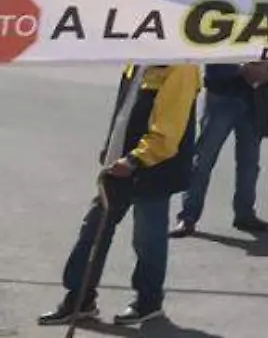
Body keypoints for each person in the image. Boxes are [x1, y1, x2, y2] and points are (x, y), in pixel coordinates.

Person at [41, 64, 202, 328]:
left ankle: (148, 302)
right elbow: (125, 112)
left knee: (147, 239)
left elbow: (168, 129)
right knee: (94, 229)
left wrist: (135, 160)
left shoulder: (181, 68)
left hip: (153, 167)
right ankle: (80, 299)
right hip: (122, 164)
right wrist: (111, 147)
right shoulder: (136, 58)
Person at [172, 61, 268, 238]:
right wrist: (241, 69)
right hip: (221, 94)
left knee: (249, 163)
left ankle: (245, 214)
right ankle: (188, 216)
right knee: (203, 160)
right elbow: (213, 55)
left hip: (255, 98)